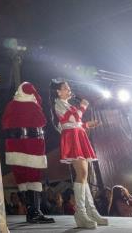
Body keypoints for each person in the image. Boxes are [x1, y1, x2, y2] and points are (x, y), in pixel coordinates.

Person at [51, 80, 107, 228]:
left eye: (69, 88)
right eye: (65, 88)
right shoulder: (58, 104)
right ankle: (80, 213)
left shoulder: (69, 105)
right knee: (82, 174)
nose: (69, 90)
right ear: (58, 92)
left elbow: (77, 122)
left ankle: (91, 211)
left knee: (84, 176)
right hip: (72, 139)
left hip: (79, 136)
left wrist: (89, 124)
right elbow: (71, 119)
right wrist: (83, 107)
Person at [2, 82, 55, 224]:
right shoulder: (32, 105)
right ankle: (35, 213)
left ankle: (30, 211)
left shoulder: (10, 105)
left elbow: (5, 123)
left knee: (22, 179)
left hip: (14, 147)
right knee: (33, 178)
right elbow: (42, 121)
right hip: (32, 146)